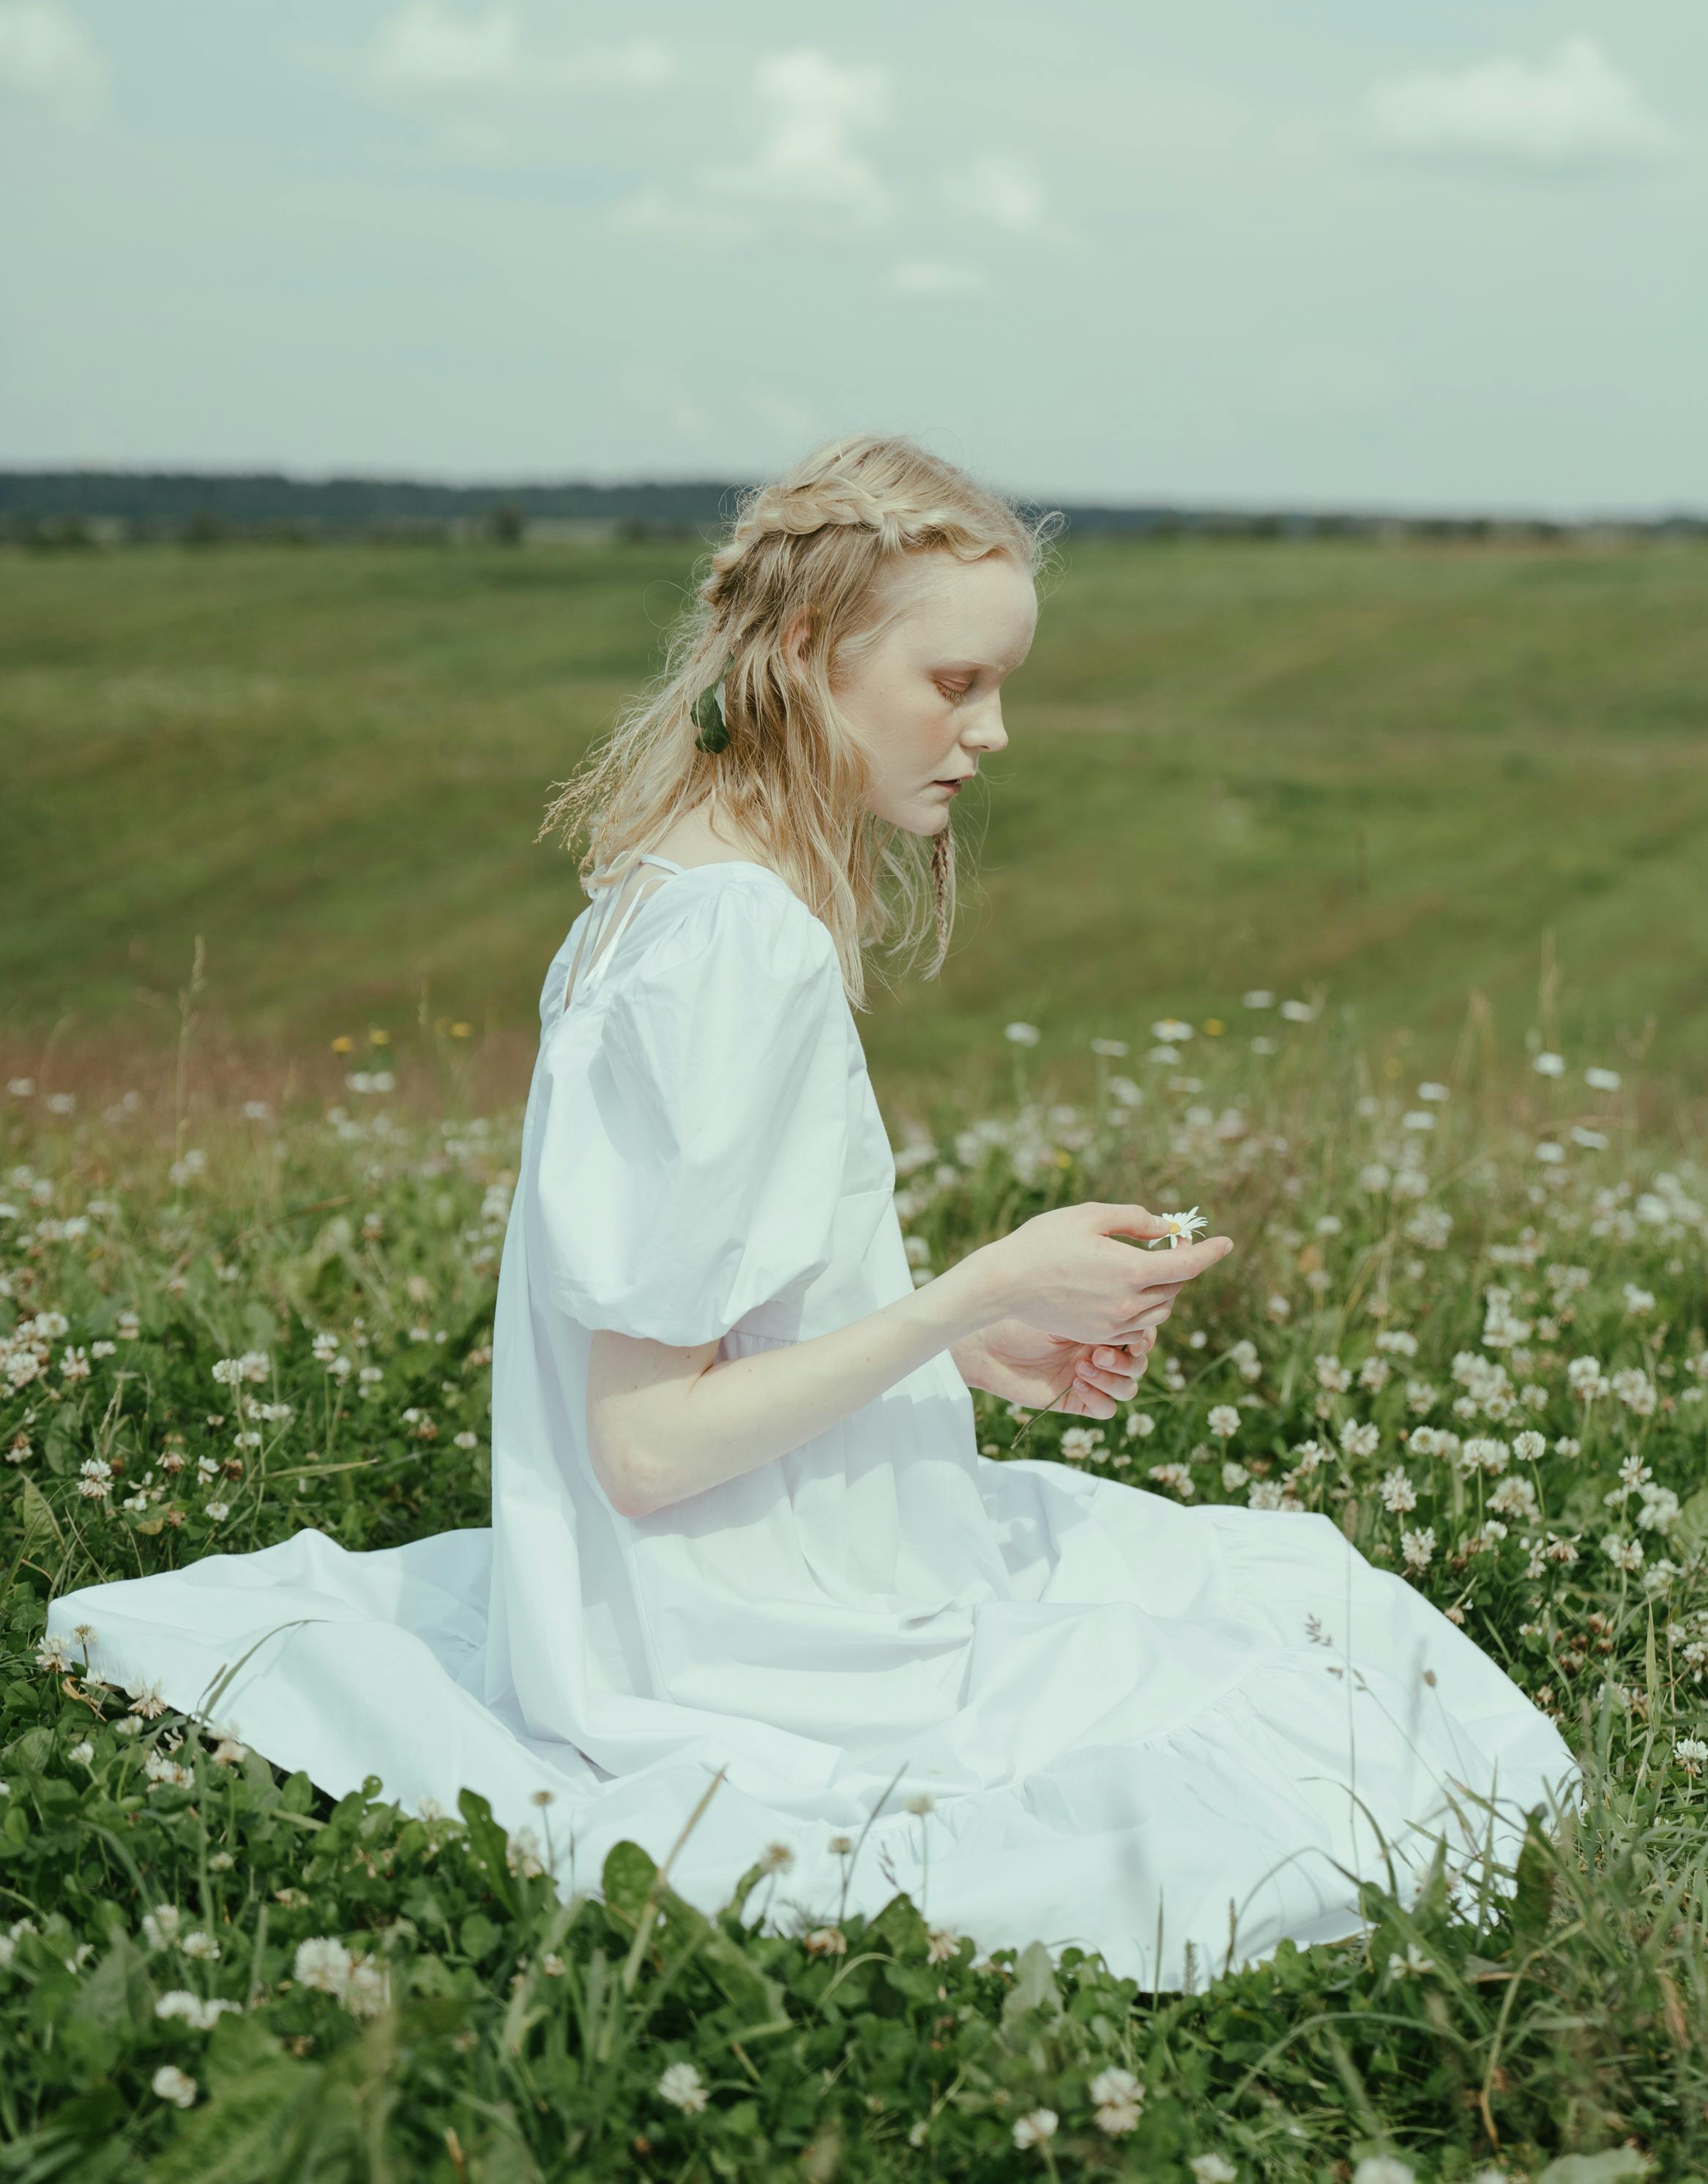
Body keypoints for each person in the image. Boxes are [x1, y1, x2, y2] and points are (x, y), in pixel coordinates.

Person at [50, 433, 1575, 1985]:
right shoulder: (736, 950)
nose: (991, 732)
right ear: (803, 652)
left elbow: (727, 1313)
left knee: (1268, 1610)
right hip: (727, 1632)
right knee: (1316, 1689)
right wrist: (972, 1289)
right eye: (955, 681)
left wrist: (969, 1355)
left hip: (690, 1578)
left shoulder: (684, 885)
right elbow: (645, 1445)